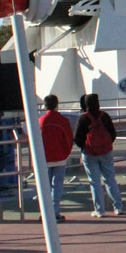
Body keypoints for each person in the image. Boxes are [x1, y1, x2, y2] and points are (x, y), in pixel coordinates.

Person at [74, 92, 123, 217]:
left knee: (94, 182)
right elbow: (113, 133)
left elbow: (77, 138)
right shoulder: (104, 116)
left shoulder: (83, 118)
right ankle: (118, 207)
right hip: (106, 152)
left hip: (89, 153)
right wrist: (106, 144)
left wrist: (84, 147)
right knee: (110, 179)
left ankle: (100, 210)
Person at [39, 94, 74, 222]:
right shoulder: (63, 120)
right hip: (60, 157)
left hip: (44, 158)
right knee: (57, 186)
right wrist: (65, 154)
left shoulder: (40, 121)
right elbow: (69, 139)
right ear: (57, 105)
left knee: (45, 187)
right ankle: (55, 212)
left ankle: (45, 213)